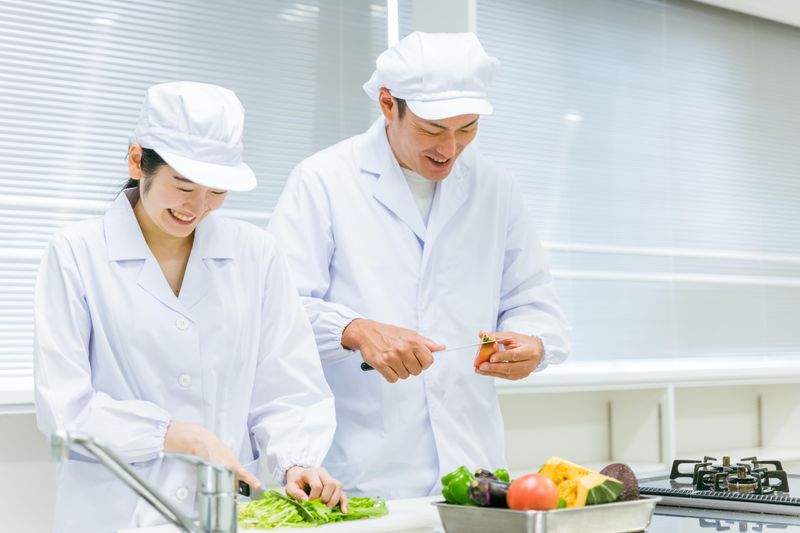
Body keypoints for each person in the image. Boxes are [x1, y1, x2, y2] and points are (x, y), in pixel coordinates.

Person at [268, 32, 572, 499]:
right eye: (432, 130)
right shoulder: (323, 180)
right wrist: (354, 329)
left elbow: (531, 300)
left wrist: (533, 341)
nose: (449, 148)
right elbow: (277, 315)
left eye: (467, 128)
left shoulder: (495, 188)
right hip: (363, 469)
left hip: (474, 467)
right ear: (388, 104)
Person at [34, 81, 346, 532]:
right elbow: (64, 409)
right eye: (183, 186)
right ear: (137, 161)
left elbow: (287, 384)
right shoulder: (76, 253)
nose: (198, 207)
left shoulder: (256, 254)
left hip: (225, 513)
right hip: (115, 514)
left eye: (217, 191)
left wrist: (296, 461)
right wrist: (174, 434)